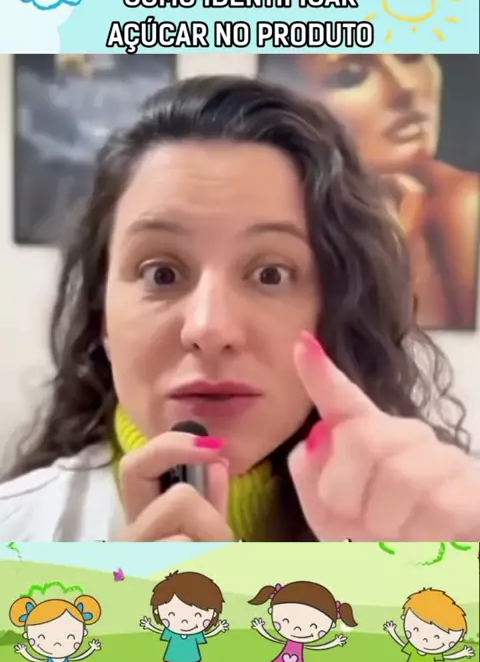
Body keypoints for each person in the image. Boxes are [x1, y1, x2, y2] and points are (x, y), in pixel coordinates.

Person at [0, 75, 479, 542]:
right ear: (102, 316)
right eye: (161, 273)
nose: (210, 328)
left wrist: (437, 574)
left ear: (338, 309)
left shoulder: (434, 540)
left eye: (271, 274)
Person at [293, 53, 480, 329]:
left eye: (412, 55)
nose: (407, 87)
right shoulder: (295, 216)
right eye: (352, 74)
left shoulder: (464, 203)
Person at [249, 580, 355, 662]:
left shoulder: (300, 644)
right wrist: (260, 629)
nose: (298, 629)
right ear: (271, 611)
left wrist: (335, 642)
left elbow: (316, 647)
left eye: (313, 626)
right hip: (282, 661)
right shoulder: (289, 640)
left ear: (331, 625)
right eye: (286, 620)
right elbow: (274, 638)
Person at [139, 570, 228, 662]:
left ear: (214, 614)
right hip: (172, 660)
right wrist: (149, 626)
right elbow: (160, 632)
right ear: (157, 611)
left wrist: (218, 629)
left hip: (192, 660)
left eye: (197, 615)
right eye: (172, 614)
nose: (185, 622)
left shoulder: (195, 634)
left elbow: (207, 635)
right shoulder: (172, 632)